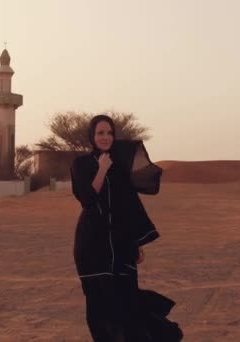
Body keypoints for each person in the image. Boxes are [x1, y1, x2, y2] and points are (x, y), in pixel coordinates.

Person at [70, 114, 183, 341]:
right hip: (92, 246)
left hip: (121, 245)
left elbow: (129, 207)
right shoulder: (81, 164)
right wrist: (101, 169)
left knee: (128, 304)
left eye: (110, 132)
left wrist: (137, 242)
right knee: (99, 307)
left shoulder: (120, 167)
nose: (105, 137)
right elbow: (87, 199)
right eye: (100, 133)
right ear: (92, 136)